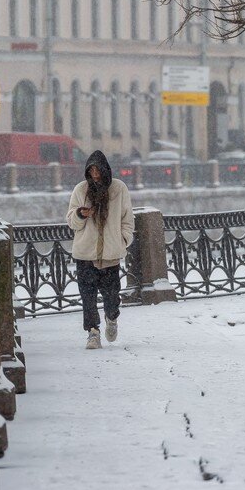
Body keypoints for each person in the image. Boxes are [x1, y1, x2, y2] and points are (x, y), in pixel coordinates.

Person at [67, 150, 134, 349]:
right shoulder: (81, 190)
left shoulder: (119, 189)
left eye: (98, 170)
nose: (95, 174)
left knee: (112, 298)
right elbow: (71, 221)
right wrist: (80, 214)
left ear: (105, 169)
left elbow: (127, 219)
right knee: (87, 297)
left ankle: (111, 318)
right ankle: (93, 332)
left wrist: (123, 240)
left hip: (110, 256)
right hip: (85, 255)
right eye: (91, 170)